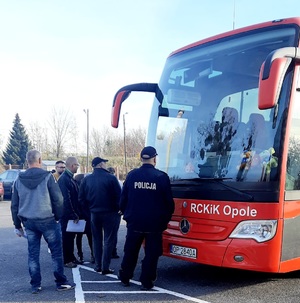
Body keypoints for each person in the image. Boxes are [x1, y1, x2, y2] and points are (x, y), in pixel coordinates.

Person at [10, 149, 76, 294]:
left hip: (29, 222)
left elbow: (14, 205)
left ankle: (36, 285)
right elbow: (58, 199)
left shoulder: (18, 179)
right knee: (56, 253)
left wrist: (17, 225)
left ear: (27, 161)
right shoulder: (48, 177)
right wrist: (58, 216)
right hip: (48, 220)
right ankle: (61, 282)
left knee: (33, 254)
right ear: (40, 161)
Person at [118, 146, 174, 290]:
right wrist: (165, 220)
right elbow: (169, 203)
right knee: (152, 253)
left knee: (130, 251)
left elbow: (123, 199)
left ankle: (125, 276)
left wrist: (127, 215)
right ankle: (147, 281)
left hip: (135, 221)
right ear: (155, 159)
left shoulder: (131, 176)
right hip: (154, 223)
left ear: (141, 159)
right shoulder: (161, 177)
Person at [79, 157, 121, 274]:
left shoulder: (87, 179)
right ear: (101, 164)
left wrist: (88, 211)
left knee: (96, 239)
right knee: (108, 240)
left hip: (94, 213)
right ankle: (105, 266)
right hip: (110, 213)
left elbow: (81, 198)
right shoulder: (111, 178)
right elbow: (119, 196)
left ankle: (98, 265)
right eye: (104, 163)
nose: (105, 165)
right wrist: (119, 209)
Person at [58, 156, 82, 268]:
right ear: (72, 166)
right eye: (77, 165)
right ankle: (67, 260)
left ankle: (71, 257)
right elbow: (66, 199)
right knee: (67, 238)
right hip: (67, 215)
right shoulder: (65, 179)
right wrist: (73, 214)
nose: (78, 167)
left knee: (71, 237)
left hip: (70, 214)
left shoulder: (70, 178)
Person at [74, 173, 94, 264]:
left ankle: (80, 255)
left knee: (79, 237)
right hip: (87, 216)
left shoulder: (76, 190)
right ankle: (93, 254)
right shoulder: (87, 189)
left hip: (79, 216)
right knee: (90, 236)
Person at [107, 166, 122, 259]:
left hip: (105, 210)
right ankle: (113, 251)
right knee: (113, 232)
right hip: (116, 210)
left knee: (105, 233)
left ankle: (105, 252)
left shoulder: (104, 182)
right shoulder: (119, 182)